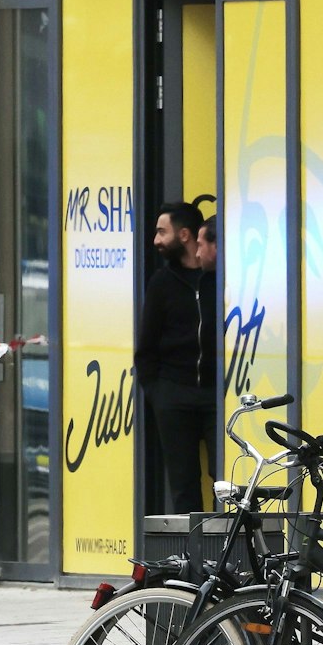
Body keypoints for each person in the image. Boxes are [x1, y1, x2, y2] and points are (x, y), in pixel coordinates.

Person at [135, 200, 218, 514]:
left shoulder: (220, 279)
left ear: (184, 235)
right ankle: (194, 561)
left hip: (216, 396)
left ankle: (229, 558)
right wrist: (158, 394)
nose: (156, 240)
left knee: (226, 481)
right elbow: (146, 346)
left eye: (161, 232)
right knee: (183, 485)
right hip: (173, 394)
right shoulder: (162, 283)